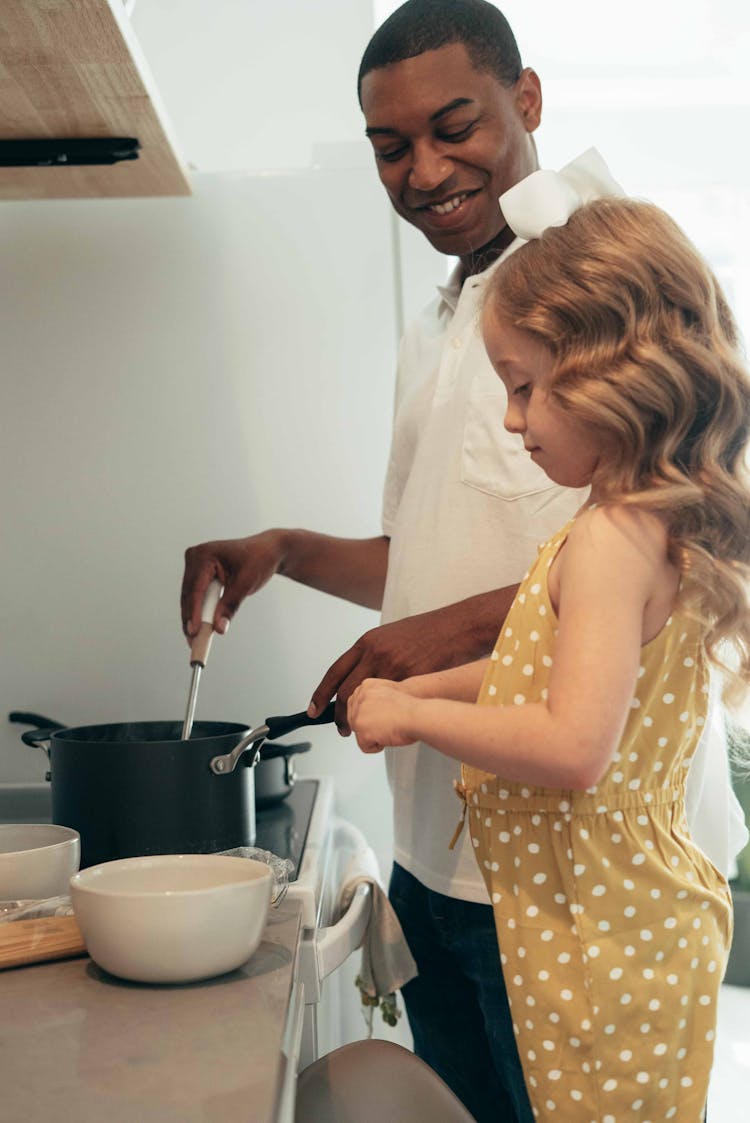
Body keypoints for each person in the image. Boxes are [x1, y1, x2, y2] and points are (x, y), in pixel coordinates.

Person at [180, 3, 747, 1120]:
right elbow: (420, 563)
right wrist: (287, 552)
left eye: (455, 126)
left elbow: (654, 558)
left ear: (525, 101)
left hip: (569, 879)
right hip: (440, 846)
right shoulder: (450, 324)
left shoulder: (592, 301)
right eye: (391, 147)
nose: (425, 169)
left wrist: (419, 669)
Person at [348, 194, 750, 1123]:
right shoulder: (635, 520)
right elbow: (542, 673)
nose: (513, 417)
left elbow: (574, 743)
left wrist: (409, 715)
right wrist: (410, 684)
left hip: (601, 928)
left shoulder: (613, 537)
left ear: (616, 374)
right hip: (605, 917)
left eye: (525, 385)